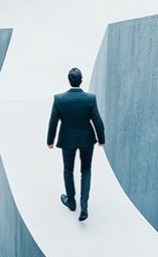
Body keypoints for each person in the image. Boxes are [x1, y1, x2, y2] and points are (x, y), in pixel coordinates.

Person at [46, 67, 105, 221]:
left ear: (68, 80)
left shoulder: (59, 99)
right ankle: (84, 205)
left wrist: (50, 140)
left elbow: (53, 121)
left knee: (68, 170)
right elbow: (97, 120)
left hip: (67, 140)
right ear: (81, 80)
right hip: (87, 139)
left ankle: (71, 202)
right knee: (86, 170)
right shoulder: (90, 98)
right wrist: (101, 138)